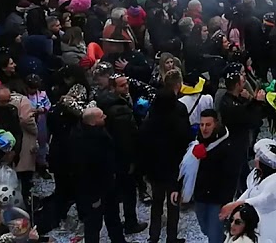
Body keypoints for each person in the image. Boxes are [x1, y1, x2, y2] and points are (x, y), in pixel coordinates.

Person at [139, 89, 193, 243]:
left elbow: (142, 146)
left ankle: (153, 236)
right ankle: (171, 237)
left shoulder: (149, 122)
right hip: (174, 170)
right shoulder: (178, 121)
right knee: (173, 203)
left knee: (156, 203)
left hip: (155, 171)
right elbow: (187, 141)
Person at [72, 106, 127, 243]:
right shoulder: (83, 142)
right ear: (92, 122)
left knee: (113, 217)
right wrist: (94, 196)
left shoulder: (98, 132)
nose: (105, 117)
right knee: (93, 224)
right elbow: (84, 172)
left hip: (108, 185)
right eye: (101, 116)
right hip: (94, 191)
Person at [178, 109, 235, 243]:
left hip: (217, 198)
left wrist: (226, 201)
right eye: (202, 124)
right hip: (200, 195)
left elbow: (231, 175)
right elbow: (186, 168)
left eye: (208, 125)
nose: (204, 128)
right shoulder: (197, 141)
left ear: (216, 124)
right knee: (205, 228)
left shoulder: (226, 145)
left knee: (214, 235)